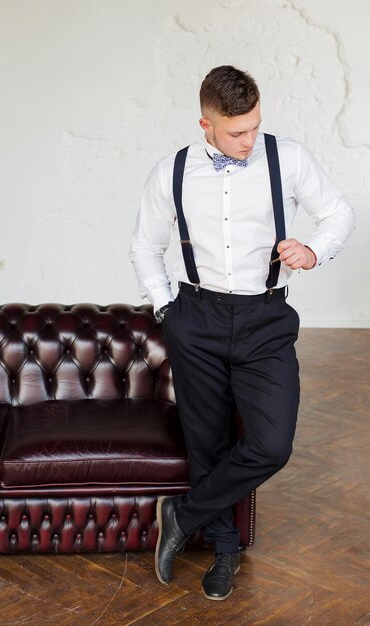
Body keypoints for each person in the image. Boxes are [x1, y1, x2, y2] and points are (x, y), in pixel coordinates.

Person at [129, 65, 354, 601]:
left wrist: (313, 249)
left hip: (265, 320)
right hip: (196, 318)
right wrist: (167, 310)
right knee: (207, 442)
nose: (249, 141)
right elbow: (144, 245)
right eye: (236, 132)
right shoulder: (173, 171)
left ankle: (181, 515)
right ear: (205, 124)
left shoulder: (289, 157)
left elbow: (339, 213)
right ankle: (224, 550)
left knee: (271, 443)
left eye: (254, 127)